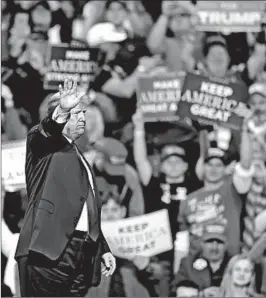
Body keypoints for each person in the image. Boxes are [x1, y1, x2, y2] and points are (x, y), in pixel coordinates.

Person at [14, 79, 116, 297]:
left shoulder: (78, 155)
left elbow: (85, 210)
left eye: (83, 114)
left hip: (82, 252)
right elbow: (47, 132)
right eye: (75, 113)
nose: (82, 119)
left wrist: (103, 248)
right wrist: (62, 111)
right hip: (48, 249)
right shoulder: (43, 145)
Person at [173, 223, 230, 297]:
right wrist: (202, 293)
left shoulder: (235, 264)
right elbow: (178, 291)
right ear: (202, 243)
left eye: (219, 242)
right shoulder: (187, 264)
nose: (214, 247)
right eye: (210, 241)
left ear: (226, 245)